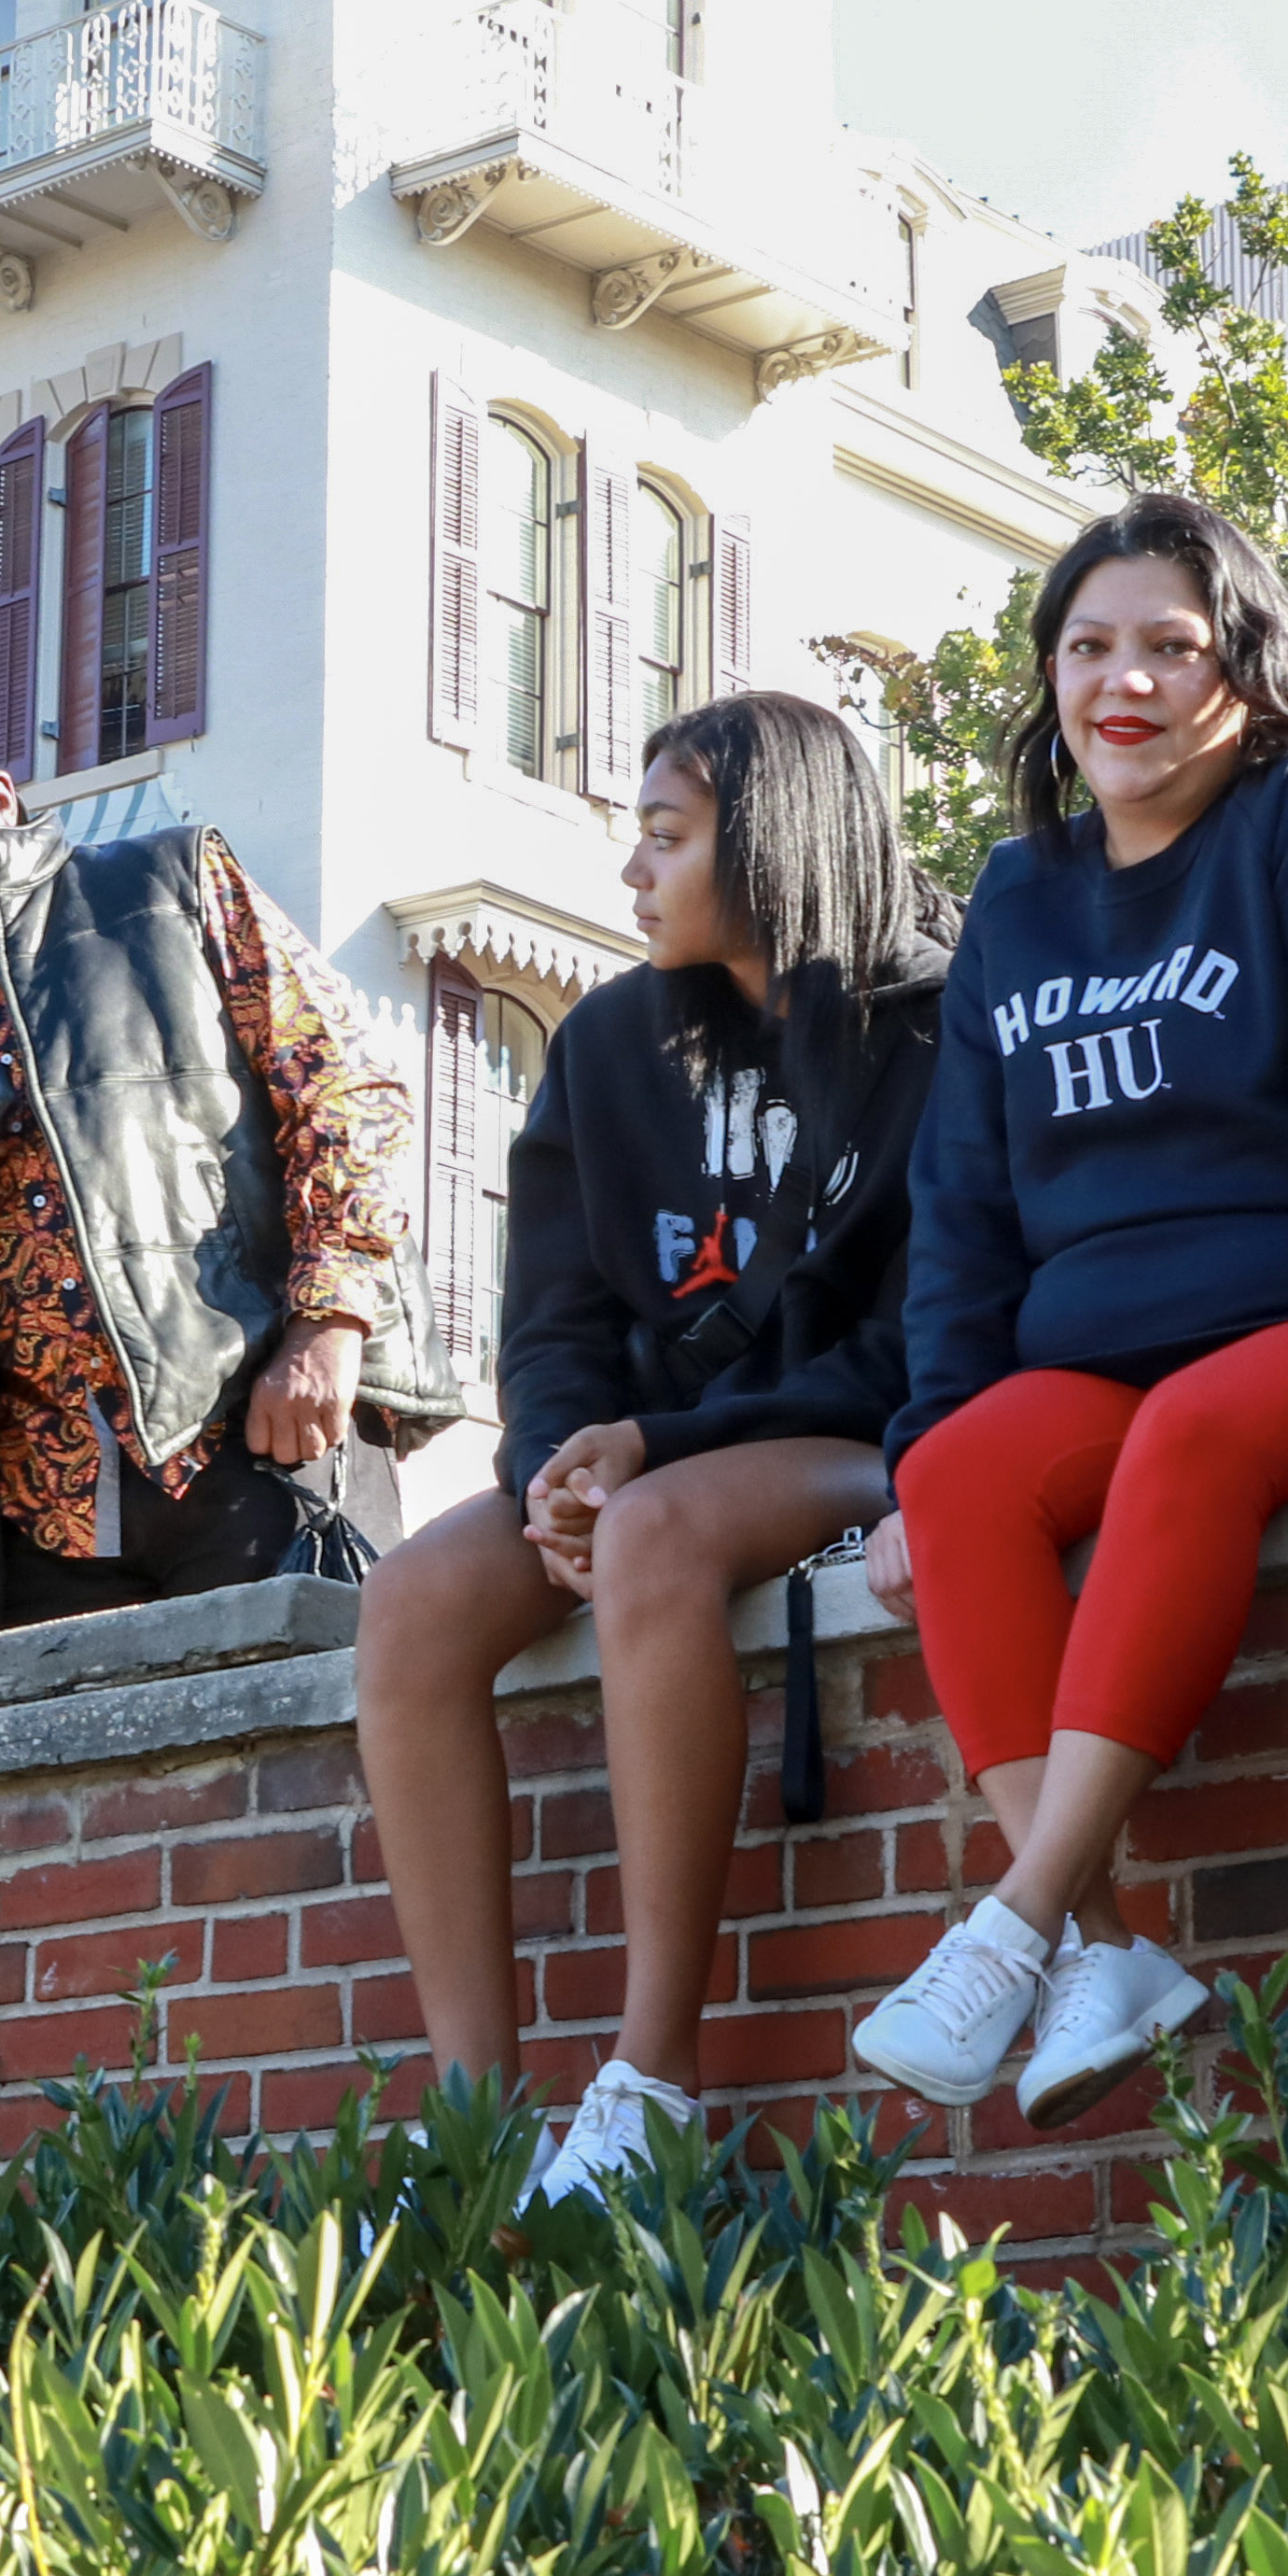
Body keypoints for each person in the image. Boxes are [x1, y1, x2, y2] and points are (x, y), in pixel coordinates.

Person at [849, 492, 1288, 2142]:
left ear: (1244, 666)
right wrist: (914, 1448)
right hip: (1093, 1343)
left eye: (1170, 646)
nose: (1126, 684)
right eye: (1088, 647)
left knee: (1189, 1434)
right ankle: (1099, 1943)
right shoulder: (1019, 902)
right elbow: (959, 1208)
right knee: (965, 1478)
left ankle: (1020, 1920)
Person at [357, 693, 945, 2206]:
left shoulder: (926, 1031)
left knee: (656, 1531)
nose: (631, 869)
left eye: (666, 837)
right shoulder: (612, 1042)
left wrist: (647, 1451)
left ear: (766, 844)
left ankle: (653, 2077)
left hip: (856, 1437)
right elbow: (551, 1310)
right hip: (638, 1455)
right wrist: (549, 1460)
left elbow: (915, 1338)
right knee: (417, 1596)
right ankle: (478, 2113)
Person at [0, 685, 438, 1622]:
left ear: (0, 791)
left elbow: (346, 1089)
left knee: (324, 1758)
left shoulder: (167, 884)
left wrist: (330, 1324)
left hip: (254, 1435)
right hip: (38, 1524)